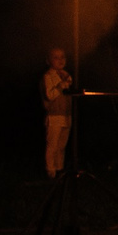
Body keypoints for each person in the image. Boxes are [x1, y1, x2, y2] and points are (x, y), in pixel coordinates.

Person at [41, 48, 73, 178]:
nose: (60, 60)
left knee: (61, 145)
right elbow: (49, 95)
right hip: (54, 116)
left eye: (62, 57)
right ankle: (50, 171)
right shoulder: (48, 76)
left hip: (66, 115)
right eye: (56, 57)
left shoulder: (66, 75)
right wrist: (60, 86)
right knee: (52, 146)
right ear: (48, 61)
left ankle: (60, 169)